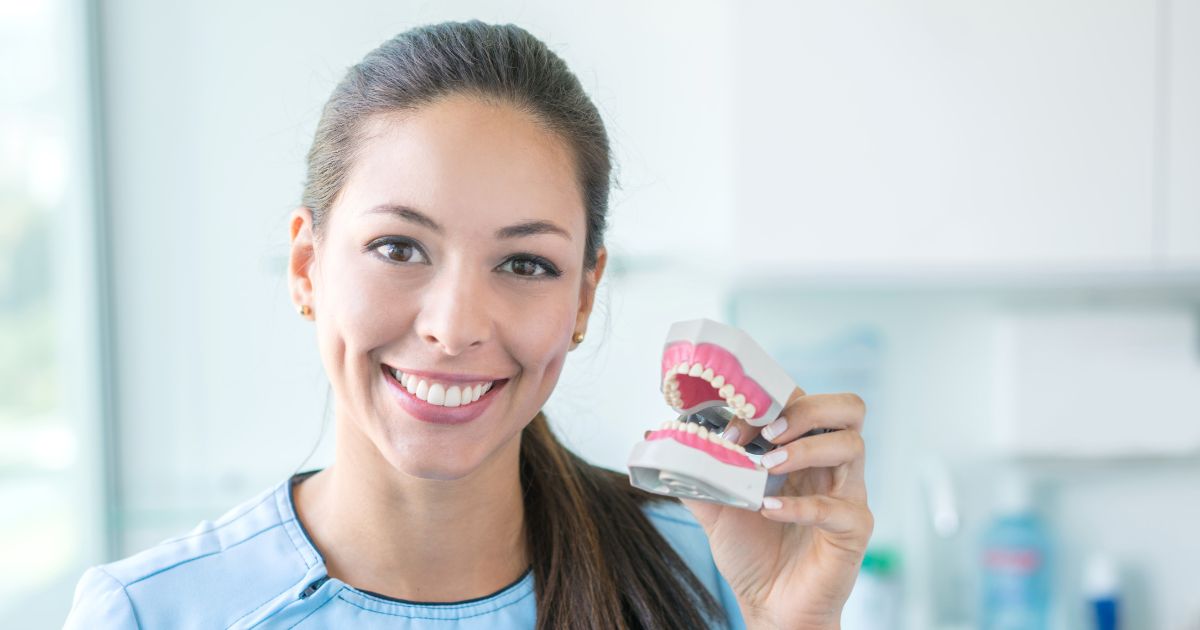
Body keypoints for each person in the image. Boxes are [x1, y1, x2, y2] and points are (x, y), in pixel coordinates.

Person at [64, 20, 872, 629]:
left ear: (584, 298)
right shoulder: (148, 615)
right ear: (307, 266)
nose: (454, 327)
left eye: (525, 264)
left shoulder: (707, 573)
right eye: (398, 248)